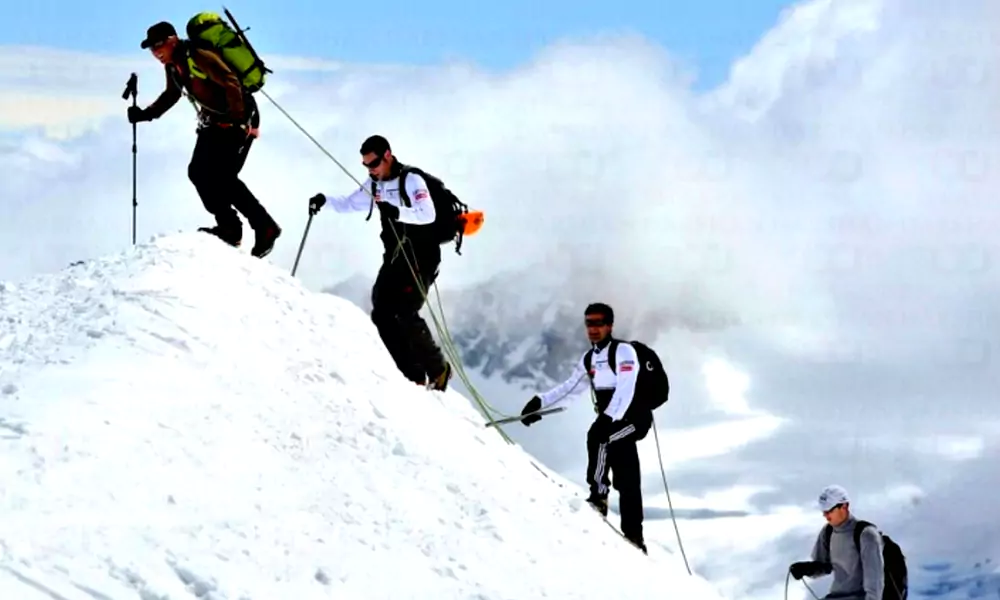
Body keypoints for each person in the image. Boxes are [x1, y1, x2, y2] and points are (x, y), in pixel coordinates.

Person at [307, 135, 452, 391]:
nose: (370, 169)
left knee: (406, 311)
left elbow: (427, 214)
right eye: (366, 165)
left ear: (387, 155)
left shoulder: (411, 180)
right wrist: (325, 201)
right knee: (381, 311)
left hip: (422, 257)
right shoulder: (375, 183)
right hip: (395, 256)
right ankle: (413, 375)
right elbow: (351, 203)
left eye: (373, 163)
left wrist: (397, 211)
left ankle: (439, 370)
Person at [127, 21, 282, 258]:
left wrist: (237, 119)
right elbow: (172, 94)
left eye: (159, 45)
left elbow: (230, 81)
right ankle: (229, 227)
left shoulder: (198, 55)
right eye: (151, 48)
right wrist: (146, 114)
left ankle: (264, 227)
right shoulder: (173, 65)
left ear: (172, 39)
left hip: (238, 120)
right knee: (198, 173)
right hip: (214, 123)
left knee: (223, 177)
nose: (156, 51)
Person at [518, 302, 651, 553]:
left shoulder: (623, 352)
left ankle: (599, 496)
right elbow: (570, 389)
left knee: (600, 437)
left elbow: (626, 388)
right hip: (613, 421)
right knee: (627, 475)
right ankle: (635, 536)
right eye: (589, 323)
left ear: (610, 325)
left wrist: (608, 417)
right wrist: (540, 404)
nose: (593, 328)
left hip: (634, 420)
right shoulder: (590, 358)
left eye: (599, 323)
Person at [789, 485, 886, 600]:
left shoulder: (866, 534)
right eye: (823, 511)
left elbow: (875, 583)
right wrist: (807, 569)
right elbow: (825, 566)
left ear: (844, 506)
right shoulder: (828, 531)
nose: (825, 515)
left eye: (829, 510)